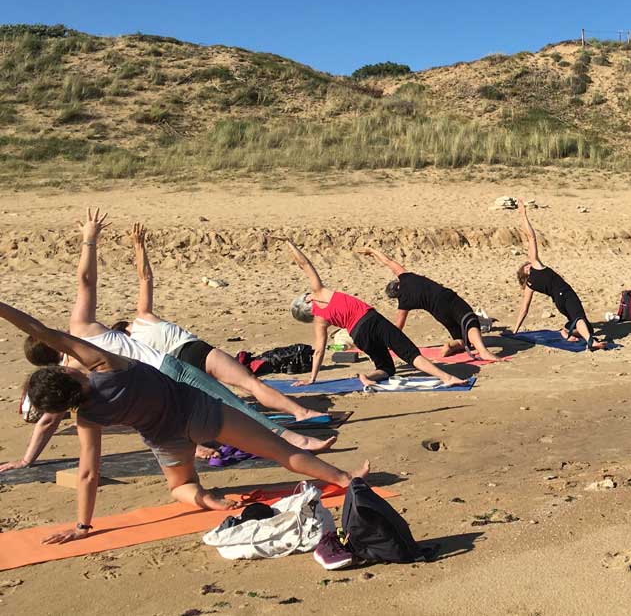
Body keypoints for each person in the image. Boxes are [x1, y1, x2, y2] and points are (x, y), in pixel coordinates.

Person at [0, 299, 369, 545]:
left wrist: (82, 526)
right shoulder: (102, 364)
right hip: (199, 412)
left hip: (165, 439)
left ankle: (205, 498)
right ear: (63, 373)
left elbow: (87, 473)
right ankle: (344, 479)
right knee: (280, 451)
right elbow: (42, 331)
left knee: (181, 487)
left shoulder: (88, 417)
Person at [0, 211, 333, 474]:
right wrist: (90, 240)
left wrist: (28, 459)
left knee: (219, 411)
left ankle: (283, 438)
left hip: (158, 385)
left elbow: (47, 420)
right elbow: (84, 283)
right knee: (231, 403)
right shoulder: (80, 335)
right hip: (166, 369)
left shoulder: (72, 376)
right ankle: (293, 438)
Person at [114, 223, 327, 422]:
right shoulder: (142, 317)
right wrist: (139, 246)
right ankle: (302, 412)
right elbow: (145, 278)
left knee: (220, 404)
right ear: (126, 325)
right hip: (194, 349)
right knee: (250, 383)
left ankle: (245, 425)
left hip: (176, 369)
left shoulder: (131, 352)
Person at [275, 236, 467, 388]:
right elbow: (306, 265)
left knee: (386, 368)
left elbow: (319, 351)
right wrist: (290, 244)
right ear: (306, 300)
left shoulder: (319, 320)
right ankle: (446, 377)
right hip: (371, 320)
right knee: (409, 352)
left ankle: (367, 376)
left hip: (358, 335)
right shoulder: (320, 293)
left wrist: (312, 379)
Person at [354, 246, 501, 362]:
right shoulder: (405, 277)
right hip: (446, 298)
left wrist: (385, 343)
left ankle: (452, 345)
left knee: (464, 340)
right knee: (470, 321)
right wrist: (372, 251)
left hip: (438, 313)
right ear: (396, 282)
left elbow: (397, 328)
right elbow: (388, 261)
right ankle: (483, 352)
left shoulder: (403, 303)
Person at [510, 200, 607, 350]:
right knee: (580, 319)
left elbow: (524, 309)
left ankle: (566, 331)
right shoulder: (535, 265)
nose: (527, 263)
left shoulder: (529, 285)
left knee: (583, 324)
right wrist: (523, 215)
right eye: (526, 265)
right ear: (527, 270)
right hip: (566, 294)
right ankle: (591, 342)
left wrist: (514, 331)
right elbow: (531, 237)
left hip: (559, 303)